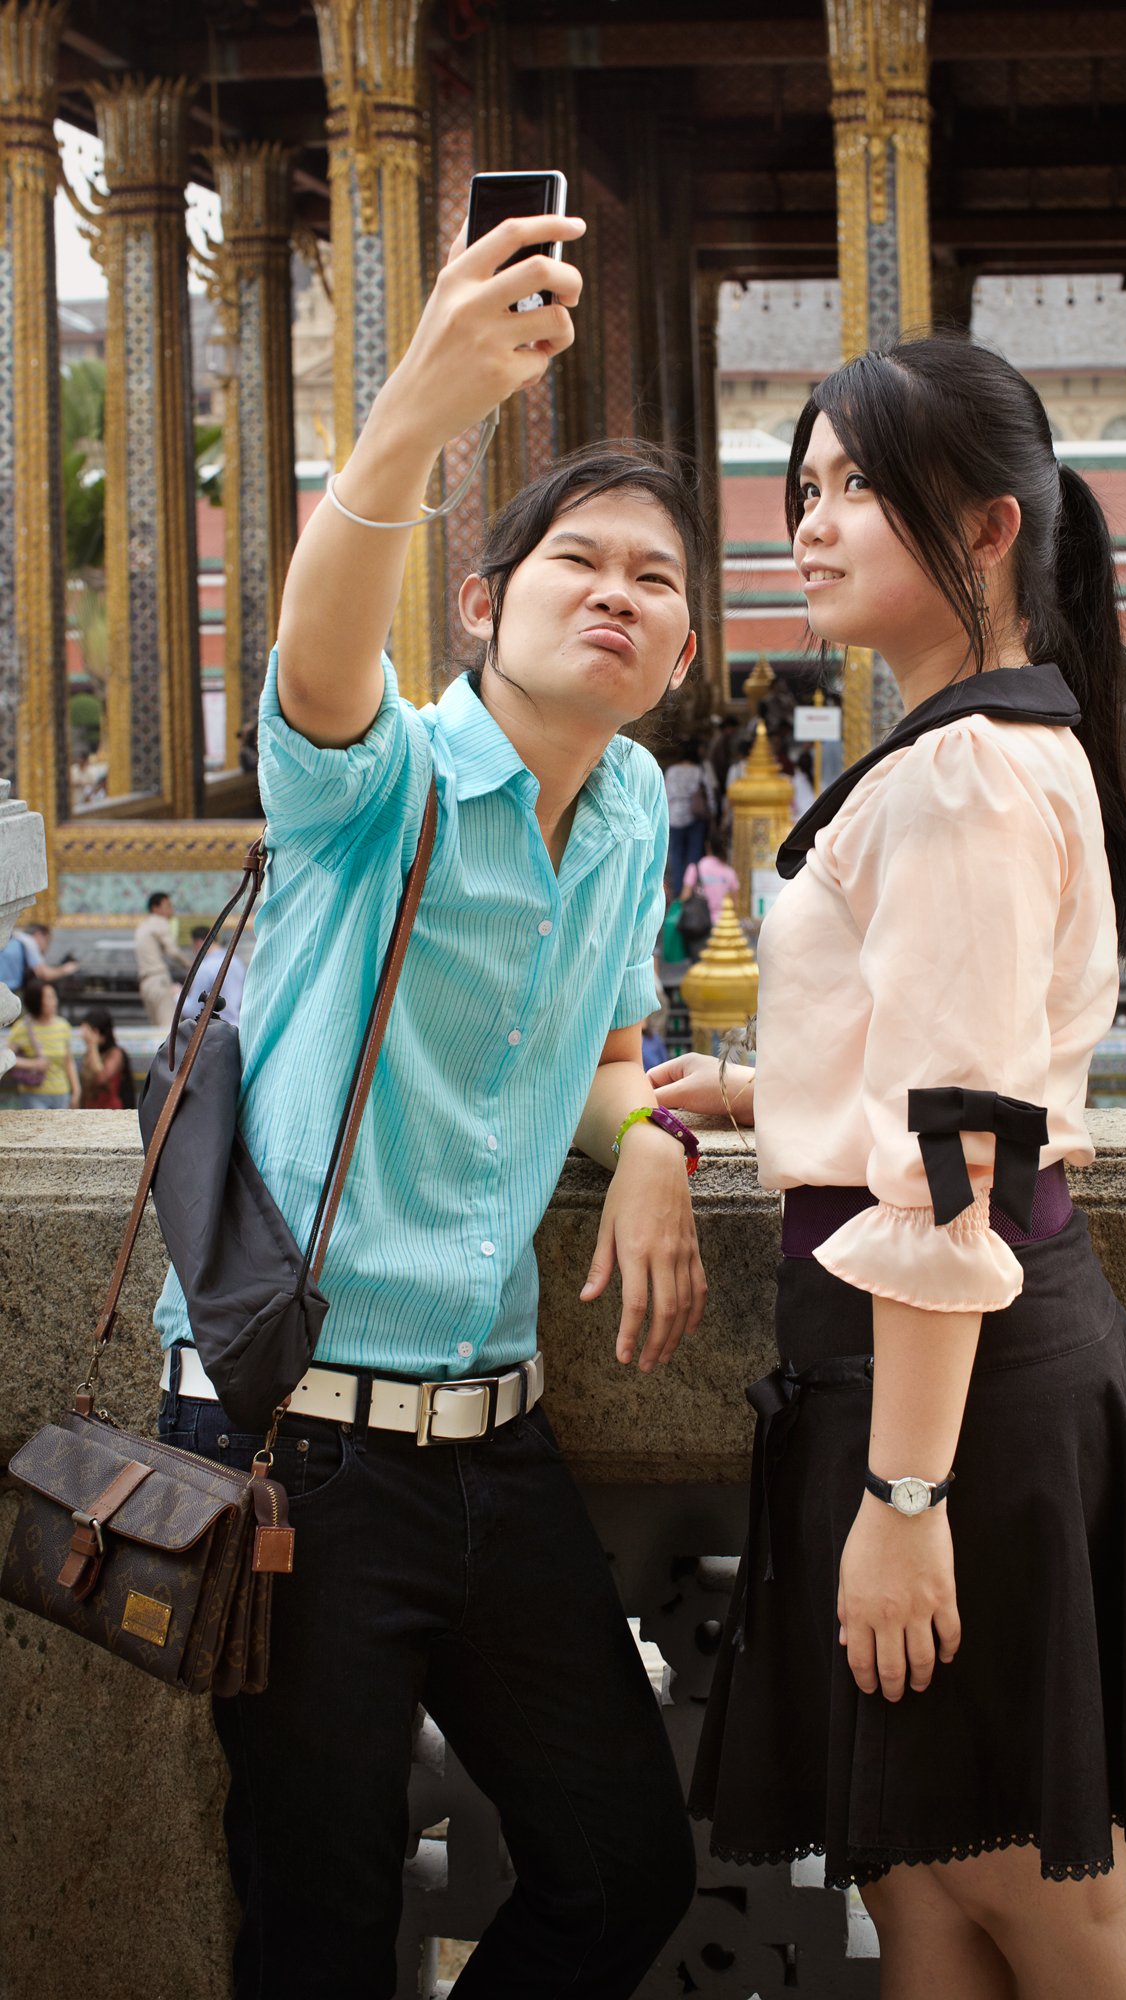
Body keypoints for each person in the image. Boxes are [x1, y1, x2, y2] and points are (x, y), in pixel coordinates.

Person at [651, 338, 1126, 2000]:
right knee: (923, 1887)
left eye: (858, 486)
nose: (811, 524)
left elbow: (954, 1149)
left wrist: (904, 1502)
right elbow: (925, 1064)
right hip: (927, 1370)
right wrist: (729, 1091)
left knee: (1030, 1893)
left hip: (952, 1400)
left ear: (985, 527)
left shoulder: (966, 773)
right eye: (805, 489)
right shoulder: (981, 744)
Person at [155, 209, 706, 2000]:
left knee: (622, 1869)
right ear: (483, 605)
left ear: (682, 655)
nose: (618, 592)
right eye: (579, 562)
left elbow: (613, 1056)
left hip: (501, 1438)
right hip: (293, 1447)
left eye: (658, 578)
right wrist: (412, 419)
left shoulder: (631, 816)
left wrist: (658, 1152)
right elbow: (321, 658)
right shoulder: (372, 787)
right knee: (319, 1923)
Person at [7, 978, 79, 1109]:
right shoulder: (22, 1027)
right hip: (33, 1094)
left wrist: (76, 1090)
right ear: (37, 1001)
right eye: (49, 998)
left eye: (54, 997)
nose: (54, 1002)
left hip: (61, 1093)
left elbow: (68, 1061)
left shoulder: (63, 1026)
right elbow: (5, 1057)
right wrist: (33, 1064)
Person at [663, 739, 713, 892]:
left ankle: (678, 889)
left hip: (674, 815)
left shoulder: (671, 771)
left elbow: (666, 793)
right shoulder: (698, 770)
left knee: (676, 854)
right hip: (694, 815)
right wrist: (711, 812)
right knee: (694, 854)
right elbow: (709, 794)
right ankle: (691, 890)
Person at [134, 891, 188, 1028]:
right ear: (155, 908)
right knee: (169, 1029)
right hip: (159, 981)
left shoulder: (142, 926)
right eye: (168, 906)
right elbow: (173, 951)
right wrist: (192, 965)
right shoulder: (160, 922)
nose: (171, 910)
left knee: (156, 1028)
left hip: (145, 983)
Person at [186, 923, 247, 1025]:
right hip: (237, 1027)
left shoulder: (205, 968)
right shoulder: (237, 962)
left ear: (198, 942)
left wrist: (176, 995)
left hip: (213, 1032)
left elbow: (193, 1010)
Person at [0, 921, 76, 995]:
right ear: (39, 935)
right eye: (47, 941)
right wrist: (66, 969)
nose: (47, 948)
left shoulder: (14, 938)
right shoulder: (29, 941)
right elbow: (44, 973)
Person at [681, 833, 740, 924]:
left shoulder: (695, 868)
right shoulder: (729, 872)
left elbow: (685, 897)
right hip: (723, 925)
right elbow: (735, 905)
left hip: (698, 923)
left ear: (708, 846)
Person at [78, 1007, 130, 1109]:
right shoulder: (89, 1054)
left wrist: (93, 1046)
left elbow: (101, 1079)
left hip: (110, 1110)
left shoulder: (115, 1054)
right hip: (91, 1108)